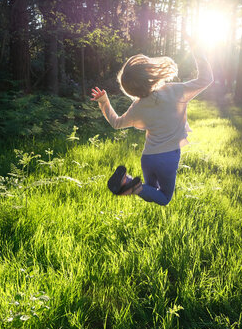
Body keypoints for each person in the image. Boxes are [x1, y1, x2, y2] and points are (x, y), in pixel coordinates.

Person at [90, 39, 213, 205]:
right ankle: (132, 186)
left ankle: (127, 182)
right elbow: (206, 79)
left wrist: (104, 101)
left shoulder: (137, 106)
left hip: (148, 158)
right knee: (164, 198)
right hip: (168, 157)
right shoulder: (175, 91)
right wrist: (197, 52)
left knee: (150, 190)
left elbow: (116, 123)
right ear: (149, 73)